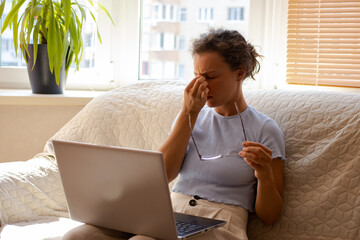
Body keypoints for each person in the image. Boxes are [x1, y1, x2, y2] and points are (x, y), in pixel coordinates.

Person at [63, 28, 285, 240]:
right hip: (169, 213)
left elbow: (270, 216)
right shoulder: (191, 115)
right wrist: (188, 113)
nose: (200, 84)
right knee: (75, 236)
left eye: (210, 76)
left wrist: (264, 175)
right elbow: (163, 174)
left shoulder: (264, 129)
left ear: (239, 73)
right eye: (197, 75)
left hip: (222, 220)